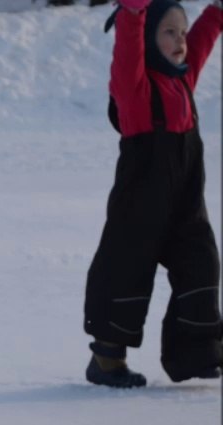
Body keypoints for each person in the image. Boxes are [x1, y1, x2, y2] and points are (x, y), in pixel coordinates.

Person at [84, 0, 223, 387]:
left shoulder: (182, 79)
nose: (181, 40)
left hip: (184, 204)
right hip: (139, 206)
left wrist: (217, 12)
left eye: (182, 31)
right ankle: (106, 361)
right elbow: (127, 49)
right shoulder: (137, 92)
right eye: (169, 32)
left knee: (202, 263)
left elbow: (202, 42)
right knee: (125, 274)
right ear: (147, 37)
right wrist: (132, 13)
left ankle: (196, 353)